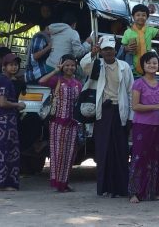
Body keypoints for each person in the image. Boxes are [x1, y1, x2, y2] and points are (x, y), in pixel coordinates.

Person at [80, 35, 134, 197]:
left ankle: (120, 188)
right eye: (105, 50)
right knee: (103, 150)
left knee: (120, 151)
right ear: (101, 52)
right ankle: (105, 188)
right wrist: (92, 53)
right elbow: (83, 66)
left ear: (116, 50)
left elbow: (131, 92)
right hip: (103, 112)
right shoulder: (97, 65)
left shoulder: (124, 66)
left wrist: (131, 116)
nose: (108, 53)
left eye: (110, 49)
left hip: (120, 111)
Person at [39, 54, 82, 192]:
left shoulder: (78, 84)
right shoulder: (57, 80)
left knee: (70, 154)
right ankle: (57, 182)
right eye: (67, 65)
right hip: (57, 123)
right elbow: (41, 81)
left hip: (72, 124)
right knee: (57, 153)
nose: (70, 68)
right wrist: (55, 70)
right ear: (62, 65)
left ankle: (65, 182)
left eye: (72, 65)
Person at [128, 52, 159, 203]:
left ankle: (153, 191)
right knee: (139, 158)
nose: (152, 65)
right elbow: (136, 106)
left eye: (155, 63)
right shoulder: (138, 83)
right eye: (149, 63)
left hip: (155, 126)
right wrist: (158, 106)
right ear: (143, 65)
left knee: (154, 159)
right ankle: (134, 192)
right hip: (141, 125)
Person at [0, 53, 26, 191]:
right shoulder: (5, 81)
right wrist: (18, 105)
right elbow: (2, 103)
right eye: (11, 64)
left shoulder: (5, 80)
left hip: (4, 120)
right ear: (4, 67)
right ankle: (2, 183)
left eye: (16, 65)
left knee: (4, 152)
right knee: (6, 152)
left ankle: (0, 182)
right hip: (6, 122)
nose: (14, 67)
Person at [121, 4, 159, 75]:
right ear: (133, 17)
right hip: (130, 69)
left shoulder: (150, 30)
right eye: (138, 15)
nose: (141, 17)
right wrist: (127, 48)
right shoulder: (128, 32)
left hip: (147, 69)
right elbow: (122, 49)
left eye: (143, 15)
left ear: (147, 17)